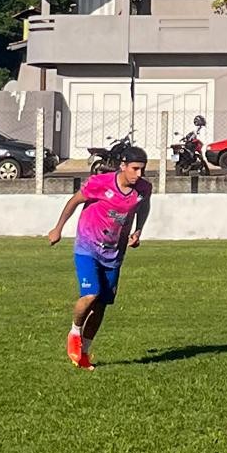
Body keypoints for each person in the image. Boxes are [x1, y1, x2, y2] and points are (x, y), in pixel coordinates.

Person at [47, 146, 152, 370]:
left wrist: (139, 230)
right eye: (135, 169)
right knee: (91, 294)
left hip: (114, 252)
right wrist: (58, 228)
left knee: (102, 304)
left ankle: (84, 352)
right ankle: (74, 332)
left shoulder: (143, 189)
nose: (139, 174)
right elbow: (74, 201)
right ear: (123, 166)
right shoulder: (100, 183)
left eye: (142, 170)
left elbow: (144, 207)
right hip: (88, 246)